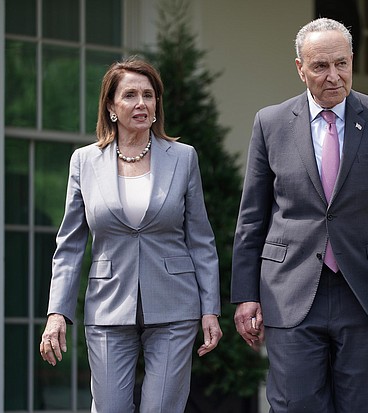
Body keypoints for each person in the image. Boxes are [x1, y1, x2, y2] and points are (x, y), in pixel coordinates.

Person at [231, 18, 368, 412]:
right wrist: (245, 295)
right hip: (289, 292)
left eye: (341, 63)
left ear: (352, 61)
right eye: (320, 66)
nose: (333, 76)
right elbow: (252, 217)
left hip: (367, 293)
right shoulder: (270, 123)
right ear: (300, 69)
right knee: (294, 405)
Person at [39, 56, 223, 412]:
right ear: (111, 105)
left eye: (149, 95)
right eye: (130, 95)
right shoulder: (84, 162)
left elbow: (201, 238)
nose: (142, 103)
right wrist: (56, 312)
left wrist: (210, 309)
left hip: (175, 304)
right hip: (108, 307)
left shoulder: (183, 158)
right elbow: (70, 245)